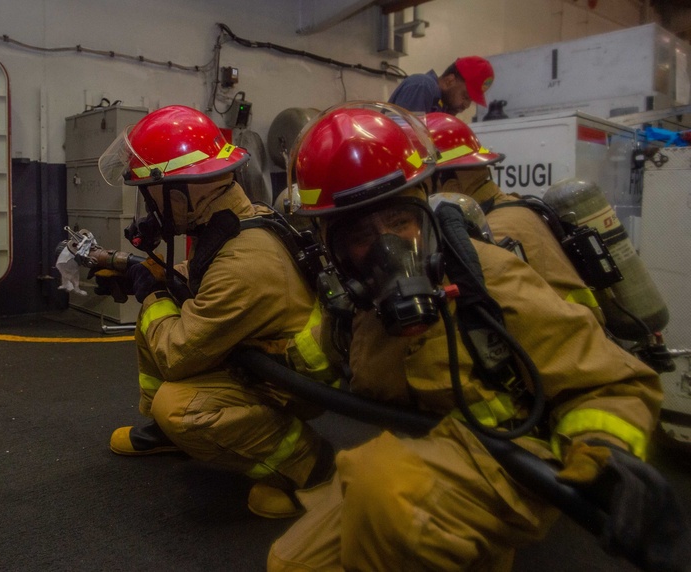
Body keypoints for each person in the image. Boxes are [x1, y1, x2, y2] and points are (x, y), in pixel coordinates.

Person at [266, 104, 686, 571]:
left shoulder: (488, 279)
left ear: (426, 207)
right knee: (292, 561)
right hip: (428, 454)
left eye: (401, 222)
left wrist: (605, 453)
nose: (388, 249)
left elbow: (610, 381)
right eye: (361, 234)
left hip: (512, 457)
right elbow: (313, 358)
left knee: (383, 484)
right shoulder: (354, 308)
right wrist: (260, 358)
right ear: (331, 244)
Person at [96, 105, 339, 519]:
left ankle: (311, 465)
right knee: (161, 310)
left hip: (289, 384)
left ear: (183, 191)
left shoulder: (244, 262)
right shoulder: (235, 221)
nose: (149, 206)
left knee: (179, 405)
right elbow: (199, 276)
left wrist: (152, 294)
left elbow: (176, 353)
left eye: (151, 192)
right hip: (259, 359)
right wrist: (142, 270)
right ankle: (162, 430)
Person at [423, 112, 604, 322]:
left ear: (451, 189)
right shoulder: (515, 208)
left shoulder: (489, 235)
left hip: (567, 344)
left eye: (423, 189)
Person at [388, 56, 493, 115]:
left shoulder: (443, 106)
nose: (466, 105)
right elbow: (406, 138)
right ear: (450, 81)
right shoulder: (422, 85)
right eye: (465, 97)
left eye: (470, 101)